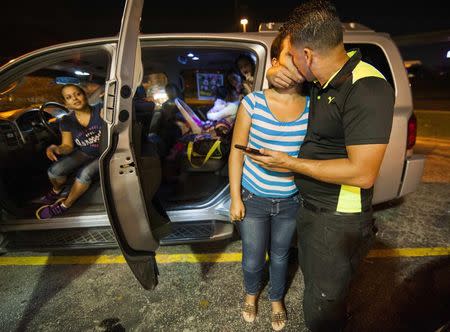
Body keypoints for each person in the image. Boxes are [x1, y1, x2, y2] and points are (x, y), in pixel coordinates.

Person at [246, 1, 395, 331]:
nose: (295, 68)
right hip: (313, 210)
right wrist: (272, 74)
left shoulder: (366, 87)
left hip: (337, 220)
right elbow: (284, 93)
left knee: (323, 305)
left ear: (308, 55)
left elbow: (363, 172)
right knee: (316, 285)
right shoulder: (324, 82)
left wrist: (290, 163)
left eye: (295, 58)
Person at [228, 30, 309, 331]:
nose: (298, 61)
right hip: (254, 199)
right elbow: (236, 153)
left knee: (280, 256)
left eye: (304, 55)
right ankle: (251, 295)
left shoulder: (313, 107)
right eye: (291, 54)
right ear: (275, 61)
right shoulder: (252, 103)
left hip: (290, 201)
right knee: (252, 258)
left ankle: (276, 298)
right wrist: (235, 196)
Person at [36, 84, 103, 220]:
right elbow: (67, 146)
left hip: (105, 152)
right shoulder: (67, 121)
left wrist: (108, 115)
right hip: (85, 152)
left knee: (85, 174)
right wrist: (56, 148)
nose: (75, 99)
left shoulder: (101, 109)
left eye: (78, 94)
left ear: (85, 95)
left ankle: (64, 205)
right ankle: (57, 191)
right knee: (54, 171)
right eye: (69, 97)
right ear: (66, 103)